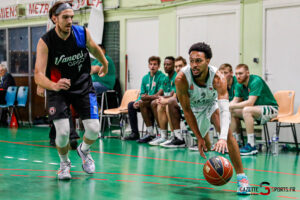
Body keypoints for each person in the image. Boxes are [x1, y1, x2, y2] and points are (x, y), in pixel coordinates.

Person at [34, 1, 108, 180]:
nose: (69, 21)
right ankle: (64, 164)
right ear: (54, 18)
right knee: (63, 132)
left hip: (83, 86)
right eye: (65, 17)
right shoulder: (46, 41)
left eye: (71, 17)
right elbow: (38, 74)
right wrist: (53, 85)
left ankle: (84, 150)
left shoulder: (81, 33)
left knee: (93, 129)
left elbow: (94, 48)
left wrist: (104, 62)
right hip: (58, 89)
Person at [175, 42, 250, 194]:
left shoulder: (218, 78)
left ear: (208, 61)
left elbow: (224, 110)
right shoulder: (181, 78)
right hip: (194, 109)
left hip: (211, 104)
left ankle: (242, 178)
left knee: (228, 135)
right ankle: (205, 138)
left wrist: (222, 138)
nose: (194, 65)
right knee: (206, 145)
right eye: (192, 61)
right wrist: (198, 137)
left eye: (199, 61)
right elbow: (187, 110)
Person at [230, 64, 278, 156]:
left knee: (247, 110)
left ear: (247, 73)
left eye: (240, 73)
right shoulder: (239, 84)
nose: (238, 76)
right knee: (233, 112)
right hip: (256, 110)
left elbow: (250, 102)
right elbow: (234, 101)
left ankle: (251, 145)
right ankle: (236, 142)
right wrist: (226, 106)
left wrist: (232, 106)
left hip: (271, 109)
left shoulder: (256, 81)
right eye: (236, 74)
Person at [124, 56, 165, 141]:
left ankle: (152, 133)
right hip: (145, 102)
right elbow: (142, 94)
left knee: (148, 103)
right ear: (148, 65)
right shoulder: (145, 78)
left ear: (159, 66)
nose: (152, 66)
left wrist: (146, 97)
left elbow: (159, 94)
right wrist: (138, 100)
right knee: (131, 105)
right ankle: (135, 133)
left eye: (155, 64)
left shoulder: (162, 77)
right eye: (151, 64)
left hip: (155, 102)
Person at [149, 56, 176, 145]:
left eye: (168, 64)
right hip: (168, 100)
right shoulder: (165, 78)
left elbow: (173, 95)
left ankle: (173, 136)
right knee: (159, 104)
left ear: (173, 66)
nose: (166, 66)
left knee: (168, 104)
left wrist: (163, 98)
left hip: (176, 102)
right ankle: (163, 136)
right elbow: (162, 93)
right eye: (165, 64)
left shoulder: (176, 77)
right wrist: (161, 98)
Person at [219, 63, 242, 144]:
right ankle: (223, 139)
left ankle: (235, 139)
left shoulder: (237, 83)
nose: (223, 75)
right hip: (230, 107)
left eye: (225, 73)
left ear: (231, 73)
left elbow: (238, 100)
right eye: (221, 73)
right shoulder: (220, 83)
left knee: (231, 111)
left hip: (240, 106)